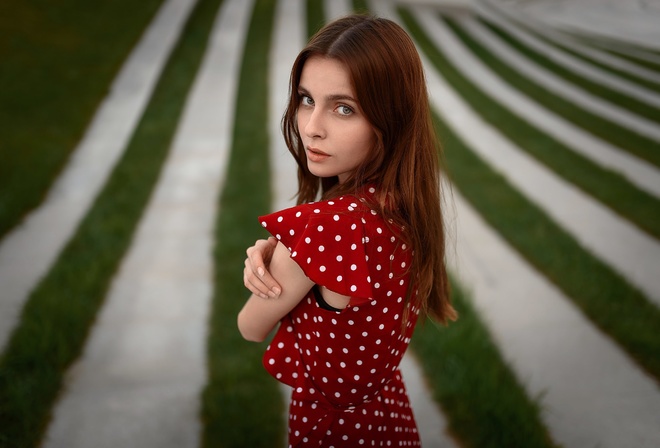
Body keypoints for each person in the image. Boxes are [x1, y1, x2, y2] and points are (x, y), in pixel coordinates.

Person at [238, 14, 457, 447]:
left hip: (335, 432)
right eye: (305, 99)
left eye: (344, 108)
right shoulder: (401, 204)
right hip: (385, 415)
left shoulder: (327, 227)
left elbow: (249, 326)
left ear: (389, 119)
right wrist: (286, 253)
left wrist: (276, 264)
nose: (312, 127)